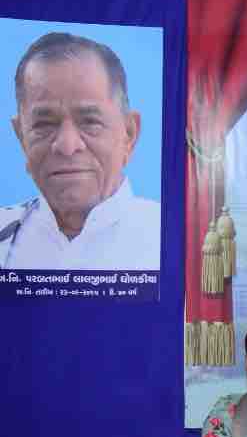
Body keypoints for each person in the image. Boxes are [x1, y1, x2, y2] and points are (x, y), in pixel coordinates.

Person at [1, 32, 159, 270]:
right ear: (21, 137)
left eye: (90, 121)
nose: (67, 146)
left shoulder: (172, 238)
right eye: (44, 124)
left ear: (129, 134)